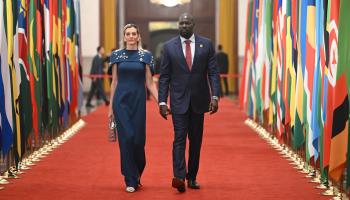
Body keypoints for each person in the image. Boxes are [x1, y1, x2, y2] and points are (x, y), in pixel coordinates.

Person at [158, 13, 220, 193]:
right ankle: (179, 177)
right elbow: (164, 77)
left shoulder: (206, 44)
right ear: (178, 25)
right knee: (179, 139)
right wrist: (162, 101)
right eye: (181, 23)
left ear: (193, 24)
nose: (184, 26)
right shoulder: (169, 47)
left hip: (200, 101)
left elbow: (213, 73)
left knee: (196, 141)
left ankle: (192, 177)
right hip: (178, 102)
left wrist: (215, 97)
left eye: (187, 23)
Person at [108, 24, 158, 193]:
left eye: (133, 34)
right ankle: (129, 178)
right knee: (127, 137)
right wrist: (110, 108)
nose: (130, 36)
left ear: (138, 36)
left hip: (138, 102)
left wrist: (161, 101)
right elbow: (114, 82)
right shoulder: (116, 56)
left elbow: (150, 83)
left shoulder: (146, 56)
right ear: (124, 37)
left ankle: (137, 171)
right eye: (127, 34)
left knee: (138, 141)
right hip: (120, 102)